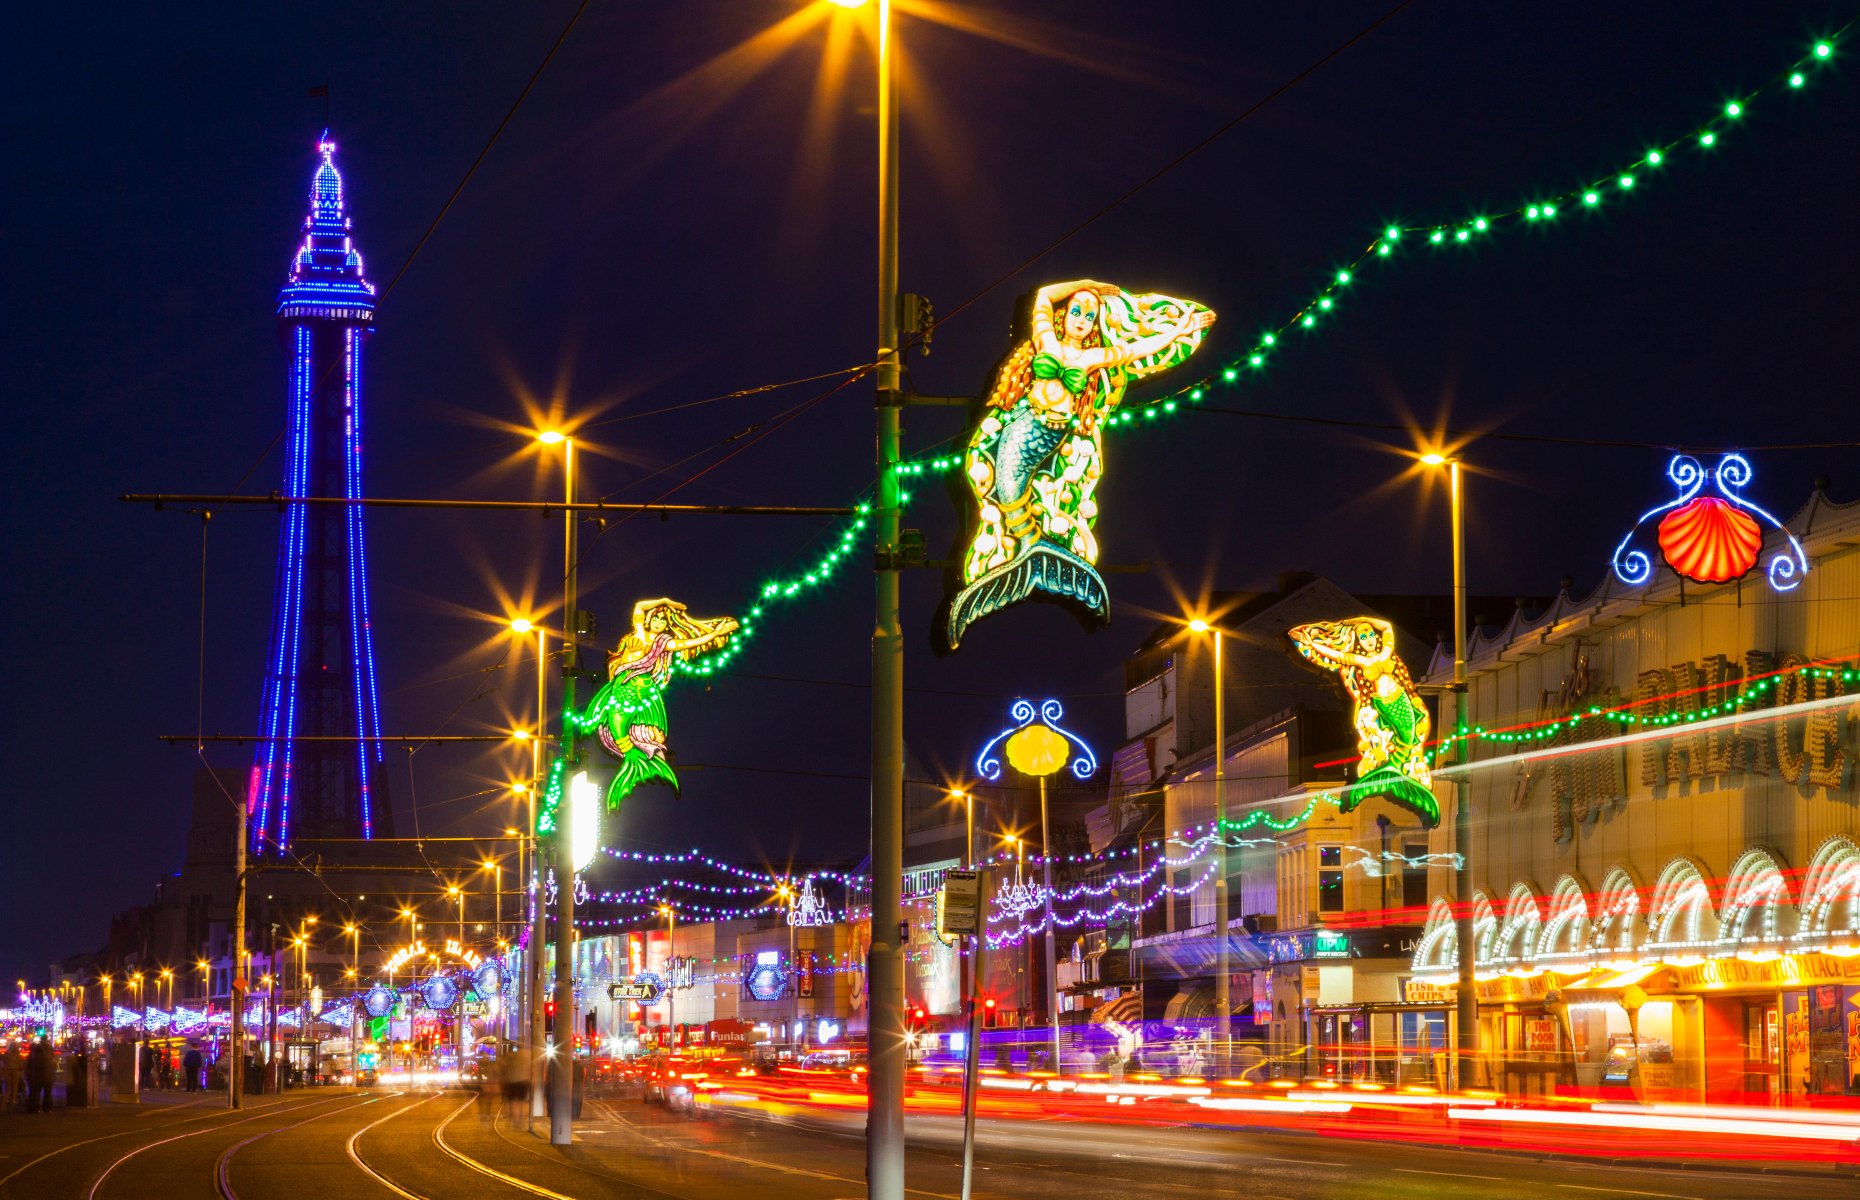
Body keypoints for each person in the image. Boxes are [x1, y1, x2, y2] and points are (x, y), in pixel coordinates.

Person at [26, 1035, 56, 1113]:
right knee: (47, 1093)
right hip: (48, 1074)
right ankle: (47, 1109)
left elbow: (29, 1062)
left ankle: (34, 1108)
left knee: (35, 1092)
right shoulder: (49, 1050)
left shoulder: (35, 1049)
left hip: (37, 1074)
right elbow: (53, 1062)